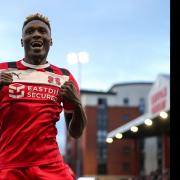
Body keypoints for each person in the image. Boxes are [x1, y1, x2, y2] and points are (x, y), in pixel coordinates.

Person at [0, 13, 87, 180]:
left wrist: (77, 104)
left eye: (42, 31)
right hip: (9, 166)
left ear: (50, 40)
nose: (36, 34)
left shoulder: (64, 77)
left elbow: (76, 133)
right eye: (30, 31)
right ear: (22, 41)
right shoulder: (3, 70)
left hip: (50, 167)